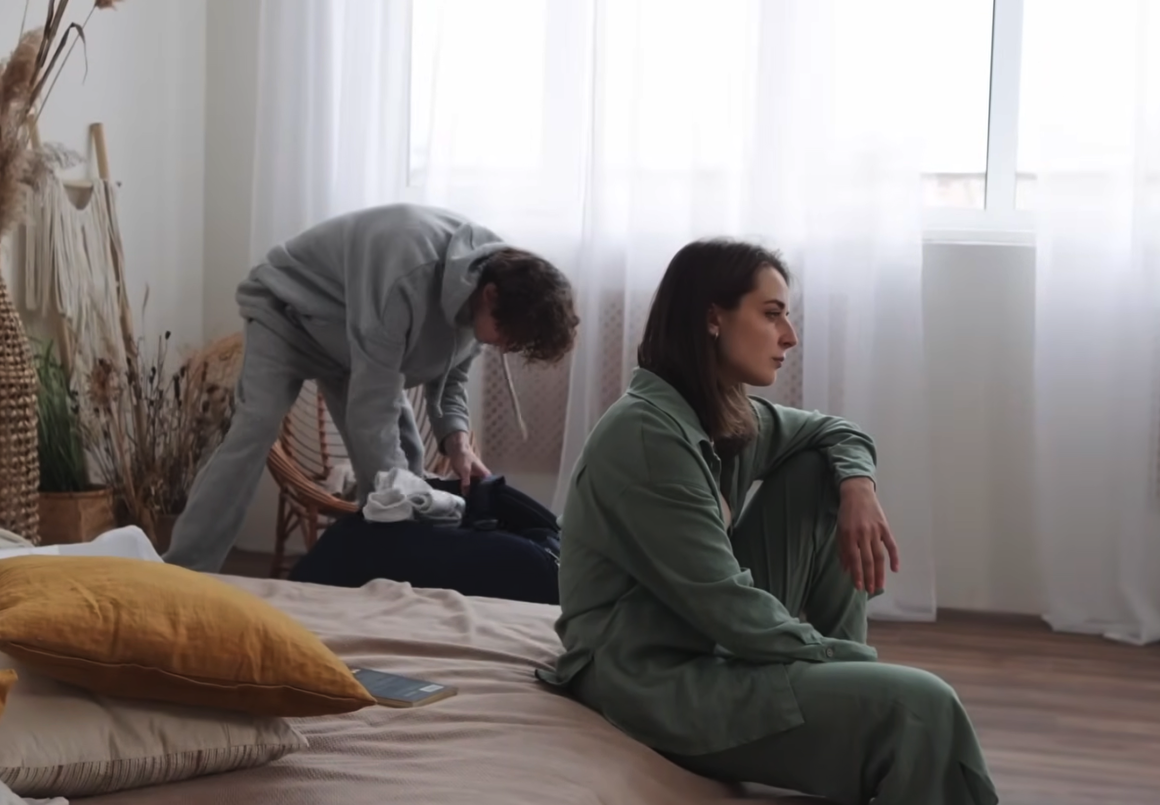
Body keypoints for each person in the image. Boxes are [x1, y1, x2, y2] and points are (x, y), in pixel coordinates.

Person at [536, 239, 998, 805]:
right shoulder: (648, 438)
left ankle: (847, 692)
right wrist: (846, 664)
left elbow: (836, 432)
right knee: (921, 705)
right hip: (649, 679)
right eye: (772, 314)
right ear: (713, 318)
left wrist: (858, 486)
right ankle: (851, 689)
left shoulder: (717, 411)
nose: (790, 336)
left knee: (820, 469)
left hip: (693, 635)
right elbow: (727, 608)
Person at [163, 203, 578, 573]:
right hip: (287, 311)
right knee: (255, 428)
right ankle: (183, 569)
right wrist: (400, 495)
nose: (504, 347)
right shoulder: (407, 273)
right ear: (490, 295)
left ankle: (386, 574)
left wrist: (458, 444)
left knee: (407, 458)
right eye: (507, 336)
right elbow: (373, 408)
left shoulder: (496, 286)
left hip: (350, 337)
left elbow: (452, 378)